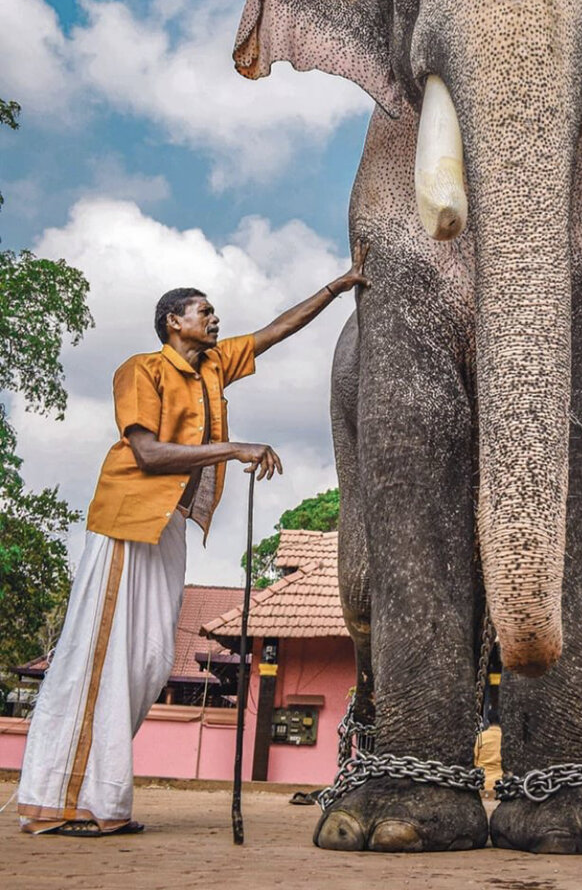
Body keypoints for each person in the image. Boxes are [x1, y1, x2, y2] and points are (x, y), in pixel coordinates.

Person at [18, 245, 369, 836]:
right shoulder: (141, 370)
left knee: (151, 659)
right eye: (204, 311)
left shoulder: (212, 367)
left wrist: (340, 285)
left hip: (170, 525)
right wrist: (234, 448)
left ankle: (99, 797)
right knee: (104, 657)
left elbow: (276, 331)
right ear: (173, 322)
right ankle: (61, 801)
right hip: (128, 520)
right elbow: (147, 454)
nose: (214, 318)